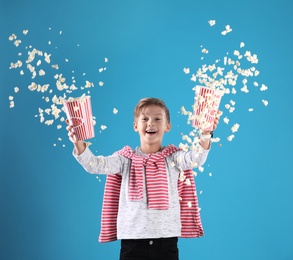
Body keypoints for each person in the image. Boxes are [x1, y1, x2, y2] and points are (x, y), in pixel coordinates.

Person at [66, 97, 219, 260]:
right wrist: (78, 143)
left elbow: (197, 158)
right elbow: (95, 165)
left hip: (166, 243)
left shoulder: (174, 158)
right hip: (132, 243)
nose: (150, 123)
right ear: (135, 126)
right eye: (145, 119)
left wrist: (206, 133)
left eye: (157, 119)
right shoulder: (124, 160)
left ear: (167, 126)